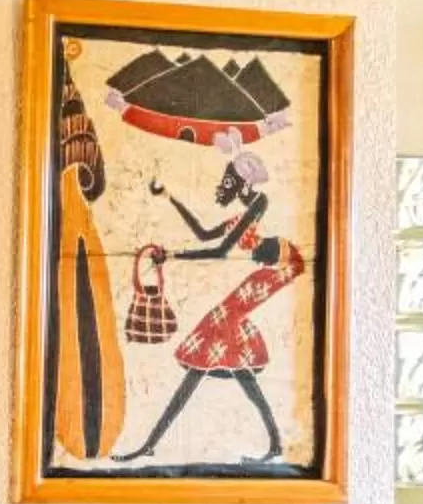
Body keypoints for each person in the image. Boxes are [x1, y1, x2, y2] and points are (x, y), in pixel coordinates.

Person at [115, 133, 304, 464]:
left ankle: (150, 443)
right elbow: (203, 233)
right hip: (255, 283)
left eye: (232, 180)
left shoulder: (258, 204)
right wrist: (170, 197)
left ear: (246, 182)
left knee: (214, 337)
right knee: (229, 359)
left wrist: (174, 255)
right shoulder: (240, 218)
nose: (226, 186)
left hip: (279, 269)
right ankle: (274, 444)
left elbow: (219, 251)